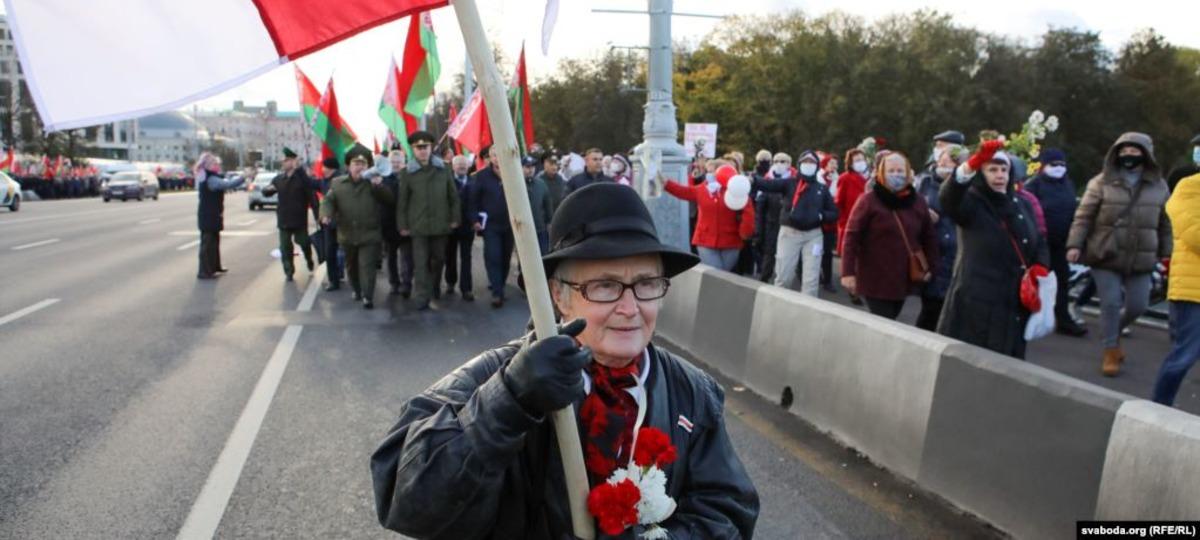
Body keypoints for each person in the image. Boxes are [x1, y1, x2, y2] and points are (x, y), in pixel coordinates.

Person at [371, 182, 759, 539]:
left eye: (646, 284)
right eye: (604, 286)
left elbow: (728, 510)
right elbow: (404, 502)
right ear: (558, 296)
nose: (630, 307)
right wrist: (507, 402)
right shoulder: (493, 376)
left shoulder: (693, 391)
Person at [1067, 132, 1173, 376]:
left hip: (1142, 256)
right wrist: (1074, 245)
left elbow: (1165, 223)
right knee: (1111, 303)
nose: (1129, 155)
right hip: (1105, 253)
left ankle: (1112, 333)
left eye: (1135, 151)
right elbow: (1083, 217)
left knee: (1138, 305)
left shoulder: (1159, 186)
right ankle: (1110, 349)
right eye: (1124, 150)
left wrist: (1167, 253)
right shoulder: (1101, 182)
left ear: (1146, 155)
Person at [938, 141, 1048, 359]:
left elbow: (1038, 239)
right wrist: (970, 165)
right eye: (992, 170)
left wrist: (1041, 266)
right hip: (977, 301)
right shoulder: (971, 203)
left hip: (1013, 303)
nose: (1000, 175)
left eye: (1004, 170)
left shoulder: (1022, 204)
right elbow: (948, 198)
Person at [841, 152, 937, 320]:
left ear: (908, 173)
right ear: (881, 173)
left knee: (891, 319)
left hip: (903, 277)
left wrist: (931, 267)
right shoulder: (869, 200)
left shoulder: (917, 201)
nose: (896, 175)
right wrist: (847, 272)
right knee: (883, 322)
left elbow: (928, 237)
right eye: (891, 171)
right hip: (875, 277)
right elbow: (852, 236)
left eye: (900, 171)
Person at [753, 150, 838, 297]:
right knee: (784, 277)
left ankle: (806, 313)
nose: (808, 165)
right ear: (799, 165)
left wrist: (820, 215)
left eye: (812, 162)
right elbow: (768, 184)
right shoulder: (789, 183)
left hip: (813, 236)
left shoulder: (822, 188)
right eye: (805, 162)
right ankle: (778, 307)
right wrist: (753, 180)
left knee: (811, 281)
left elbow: (834, 213)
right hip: (789, 233)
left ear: (817, 166)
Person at [319, 144, 395, 309]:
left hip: (370, 233)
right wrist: (326, 214)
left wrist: (378, 186)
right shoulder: (337, 183)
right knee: (351, 267)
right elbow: (328, 201)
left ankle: (368, 296)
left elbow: (389, 200)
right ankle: (357, 289)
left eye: (363, 164)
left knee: (367, 267)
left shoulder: (373, 182)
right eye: (356, 164)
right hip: (347, 234)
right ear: (349, 166)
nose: (360, 167)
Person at [1025, 148, 1088, 337]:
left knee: (1062, 282)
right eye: (1054, 164)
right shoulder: (1034, 185)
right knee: (1035, 280)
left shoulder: (1067, 184)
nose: (1059, 168)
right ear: (1043, 165)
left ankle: (1063, 319)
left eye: (1062, 165)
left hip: (1061, 242)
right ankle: (1028, 315)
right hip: (1040, 242)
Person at [396, 131, 461, 311]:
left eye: (425, 147)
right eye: (419, 148)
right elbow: (403, 201)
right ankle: (422, 296)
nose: (423, 151)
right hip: (418, 226)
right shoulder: (407, 172)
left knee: (439, 259)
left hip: (441, 224)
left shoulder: (444, 169)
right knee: (420, 263)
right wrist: (402, 225)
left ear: (431, 148)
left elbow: (453, 196)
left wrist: (455, 217)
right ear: (413, 150)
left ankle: (434, 287)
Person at [1151, 172, 1200, 406]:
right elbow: (1194, 235)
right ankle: (1158, 407)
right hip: (1193, 289)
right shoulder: (1190, 187)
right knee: (1184, 355)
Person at [663, 164, 756, 271]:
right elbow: (683, 191)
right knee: (716, 274)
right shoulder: (701, 189)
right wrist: (666, 183)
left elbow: (748, 215)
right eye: (709, 171)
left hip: (731, 242)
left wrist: (745, 232)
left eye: (713, 171)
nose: (710, 174)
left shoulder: (735, 191)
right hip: (705, 241)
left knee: (725, 276)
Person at [913, 144, 965, 331]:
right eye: (945, 160)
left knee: (949, 314)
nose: (948, 165)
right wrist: (923, 213)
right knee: (931, 311)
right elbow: (908, 208)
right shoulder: (924, 183)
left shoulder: (967, 187)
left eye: (954, 161)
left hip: (957, 254)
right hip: (932, 254)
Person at [261, 147, 316, 281]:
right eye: (283, 161)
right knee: (285, 247)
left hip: (299, 219)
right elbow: (267, 191)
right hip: (284, 219)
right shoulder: (278, 179)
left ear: (293, 162)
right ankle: (289, 271)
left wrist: (317, 214)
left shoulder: (302, 179)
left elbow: (312, 197)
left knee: (304, 242)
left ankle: (309, 259)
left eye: (286, 160)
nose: (283, 163)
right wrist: (267, 190)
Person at [470, 146, 516, 308]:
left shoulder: (514, 172)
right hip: (491, 225)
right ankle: (497, 293)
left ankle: (500, 283)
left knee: (505, 258)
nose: (497, 158)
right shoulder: (482, 176)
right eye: (494, 155)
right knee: (493, 256)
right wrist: (474, 219)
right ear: (490, 158)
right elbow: (473, 199)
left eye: (500, 155)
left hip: (510, 224)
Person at [194, 153, 244, 279]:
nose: (217, 166)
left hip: (212, 214)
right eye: (214, 164)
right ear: (208, 166)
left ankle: (215, 266)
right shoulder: (210, 179)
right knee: (208, 244)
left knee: (214, 242)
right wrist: (244, 177)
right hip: (208, 215)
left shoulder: (207, 176)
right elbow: (228, 185)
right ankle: (205, 271)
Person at [380, 150, 415, 297]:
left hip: (407, 224)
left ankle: (406, 283)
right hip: (388, 224)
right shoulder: (382, 179)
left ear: (404, 163)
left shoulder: (410, 178)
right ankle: (394, 283)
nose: (395, 165)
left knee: (407, 257)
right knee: (391, 257)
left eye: (398, 162)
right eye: (393, 162)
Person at [754, 152, 791, 283]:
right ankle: (764, 279)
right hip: (771, 223)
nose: (779, 164)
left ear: (789, 165)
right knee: (769, 253)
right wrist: (759, 230)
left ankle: (784, 281)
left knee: (786, 255)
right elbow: (760, 207)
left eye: (783, 161)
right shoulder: (767, 180)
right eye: (776, 161)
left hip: (789, 225)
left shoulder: (793, 182)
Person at [444, 155, 476, 301]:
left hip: (467, 227)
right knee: (449, 256)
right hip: (450, 226)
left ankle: (466, 288)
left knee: (466, 258)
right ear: (453, 166)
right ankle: (450, 282)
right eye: (458, 164)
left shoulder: (474, 182)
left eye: (464, 164)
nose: (462, 167)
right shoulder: (446, 182)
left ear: (468, 166)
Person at [318, 156, 346, 291]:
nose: (321, 169)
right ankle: (334, 279)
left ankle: (336, 278)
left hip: (341, 222)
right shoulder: (325, 181)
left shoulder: (340, 181)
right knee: (331, 252)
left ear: (330, 168)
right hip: (329, 223)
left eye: (323, 166)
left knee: (339, 252)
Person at [818, 153, 840, 292]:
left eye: (835, 164)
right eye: (831, 163)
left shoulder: (838, 179)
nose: (834, 166)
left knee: (827, 253)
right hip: (816, 221)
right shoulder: (818, 178)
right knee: (814, 252)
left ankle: (827, 280)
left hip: (830, 221)